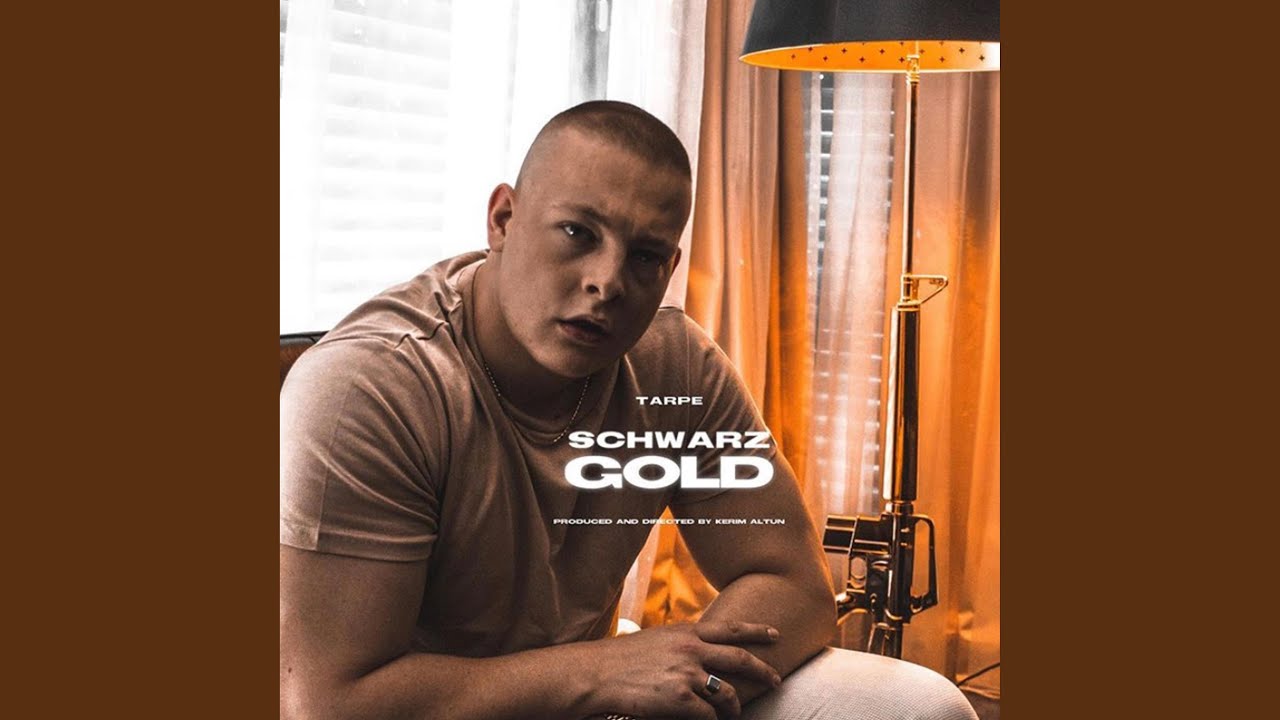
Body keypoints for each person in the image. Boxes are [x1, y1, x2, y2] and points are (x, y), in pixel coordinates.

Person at [279, 100, 837, 720]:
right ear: (503, 219)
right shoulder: (371, 389)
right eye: (579, 233)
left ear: (670, 268)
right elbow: (329, 704)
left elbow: (796, 586)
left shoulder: (676, 370)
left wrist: (683, 687)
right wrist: (603, 670)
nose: (608, 282)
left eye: (645, 256)